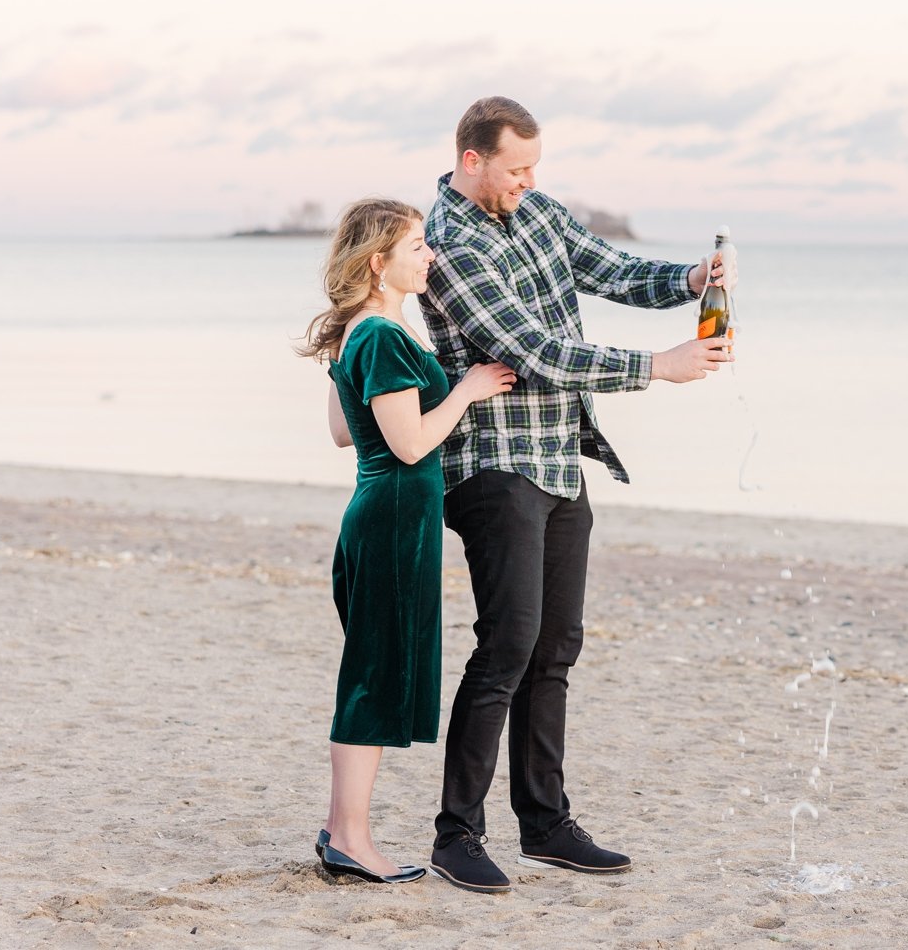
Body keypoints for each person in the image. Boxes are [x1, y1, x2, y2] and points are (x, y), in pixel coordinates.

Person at [420, 97, 734, 893]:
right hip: (492, 466)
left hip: (560, 459)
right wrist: (657, 367)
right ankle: (456, 834)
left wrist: (689, 278)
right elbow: (536, 350)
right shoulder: (450, 244)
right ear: (472, 161)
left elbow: (610, 269)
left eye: (534, 167)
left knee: (556, 649)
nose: (529, 180)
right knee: (507, 648)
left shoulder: (539, 211)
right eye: (516, 168)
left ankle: (545, 824)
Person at [298, 197, 517, 884]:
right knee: (374, 681)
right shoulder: (383, 337)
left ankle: (343, 832)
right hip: (394, 521)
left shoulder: (357, 333)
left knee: (374, 674)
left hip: (379, 515)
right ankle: (352, 841)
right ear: (378, 262)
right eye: (418, 246)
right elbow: (411, 440)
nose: (431, 256)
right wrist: (469, 389)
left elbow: (342, 432)